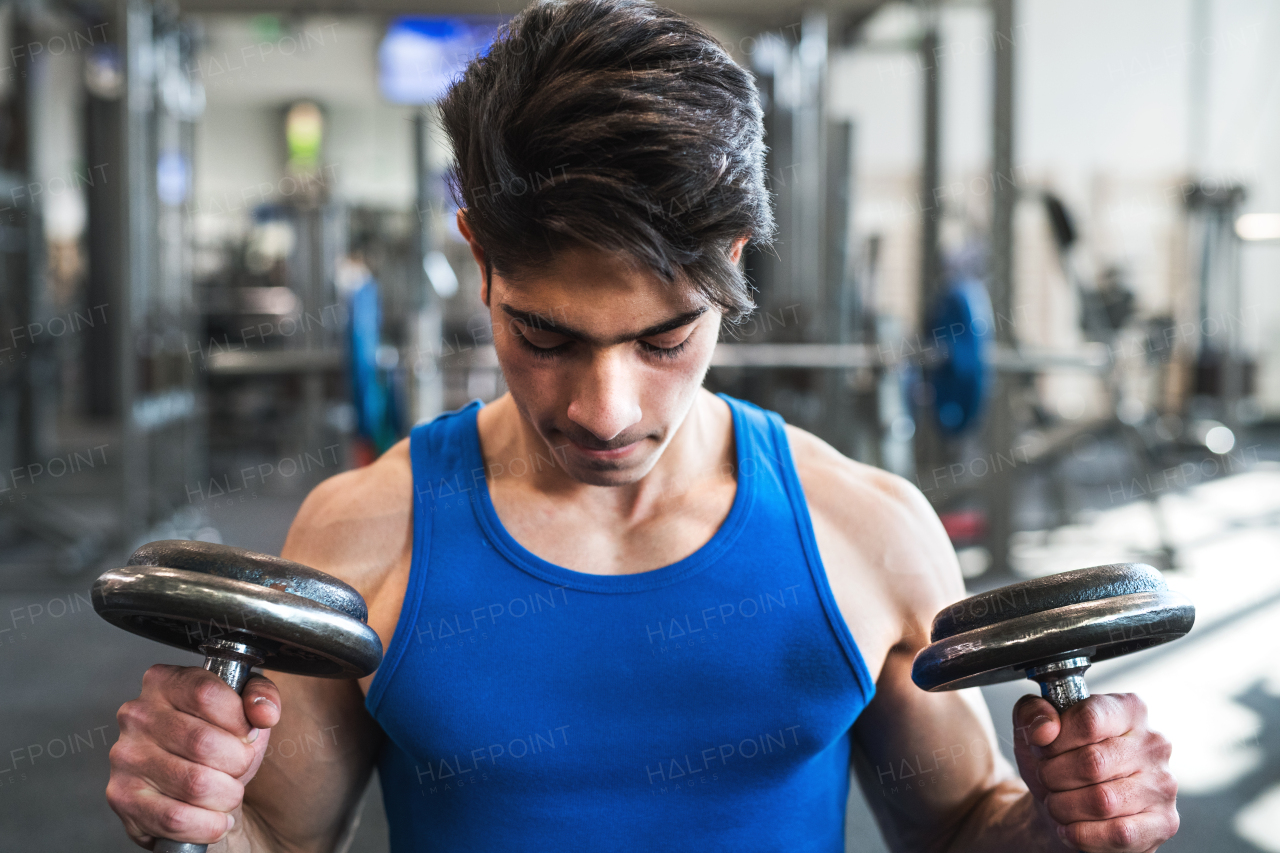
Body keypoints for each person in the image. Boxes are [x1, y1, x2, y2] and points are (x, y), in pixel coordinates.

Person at [105, 1, 1179, 850]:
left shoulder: (868, 531)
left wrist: (1060, 819)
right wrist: (191, 814)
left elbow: (956, 831)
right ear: (480, 258)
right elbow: (279, 843)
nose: (602, 412)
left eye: (662, 339)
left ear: (734, 267)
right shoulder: (361, 534)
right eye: (545, 335)